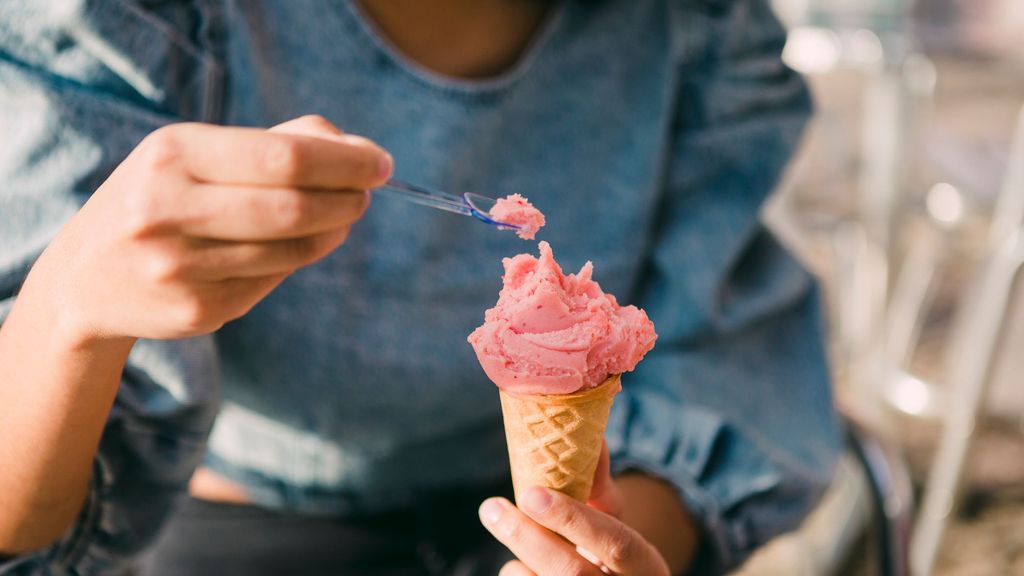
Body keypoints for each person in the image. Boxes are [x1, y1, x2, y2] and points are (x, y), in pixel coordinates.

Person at [0, 0, 843, 574]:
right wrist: (67, 308)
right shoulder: (128, 23)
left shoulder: (696, 31)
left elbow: (721, 370)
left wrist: (599, 551)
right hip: (220, 528)